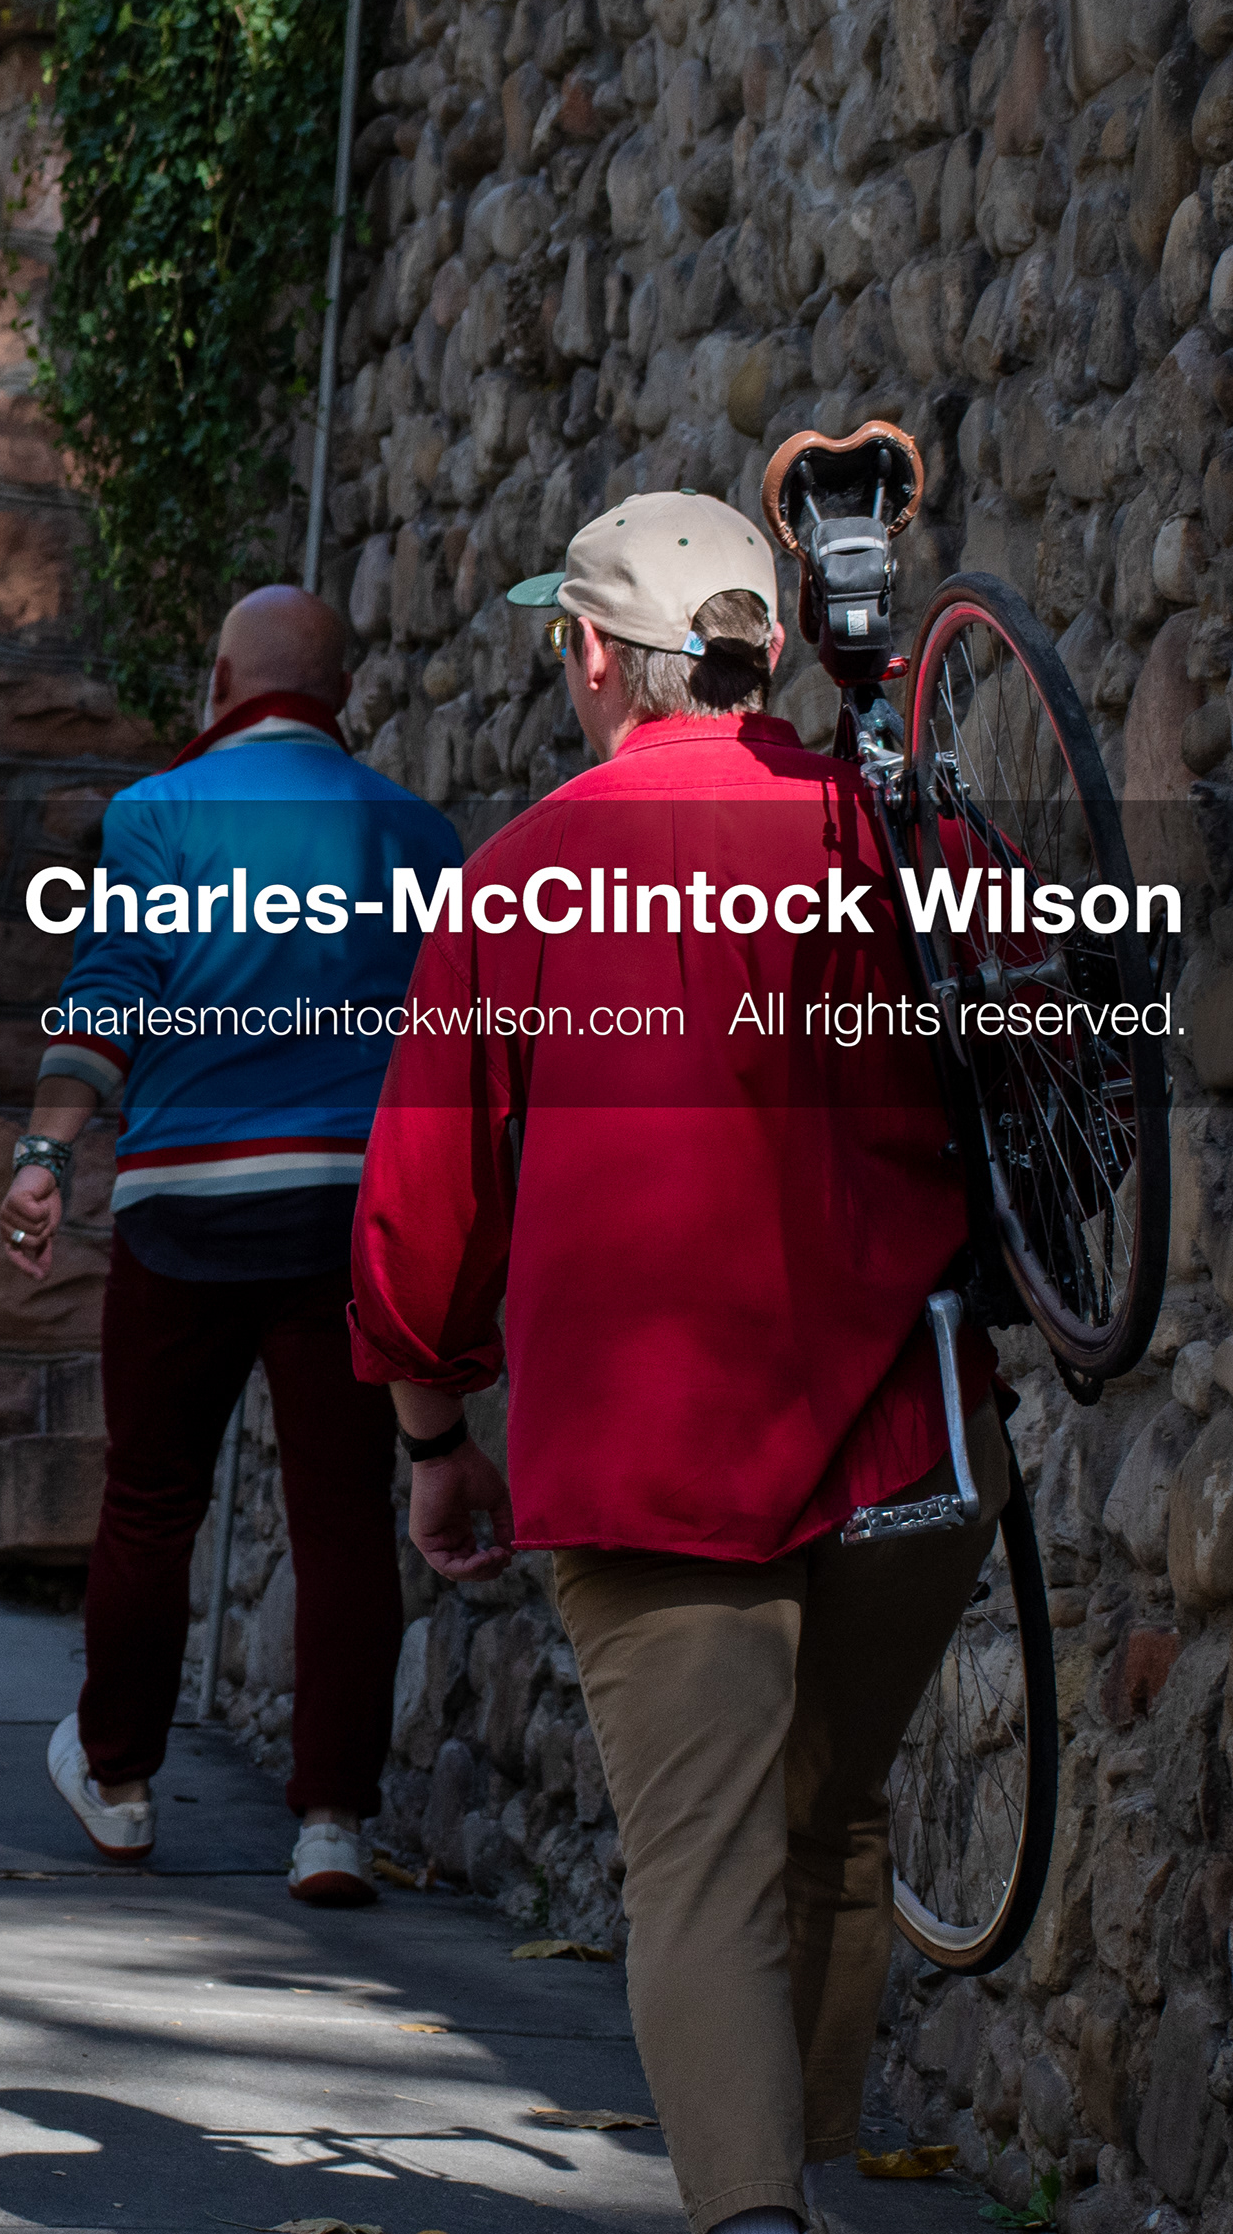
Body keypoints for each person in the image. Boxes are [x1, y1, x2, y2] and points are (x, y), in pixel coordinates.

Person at [350, 495, 997, 2234]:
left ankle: (755, 2212)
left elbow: (422, 1213)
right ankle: (814, 2178)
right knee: (832, 1819)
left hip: (655, 1450)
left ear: (589, 654)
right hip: (909, 1430)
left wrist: (433, 1431)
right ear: (770, 646)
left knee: (699, 1868)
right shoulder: (894, 828)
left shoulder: (525, 876)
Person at [0, 585, 463, 1906]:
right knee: (340, 1519)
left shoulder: (156, 817)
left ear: (218, 680)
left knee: (150, 1500)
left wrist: (46, 1152)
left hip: (181, 1210)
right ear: (345, 696)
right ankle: (330, 1822)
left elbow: (111, 992)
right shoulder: (416, 835)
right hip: (346, 1216)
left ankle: (122, 1780)